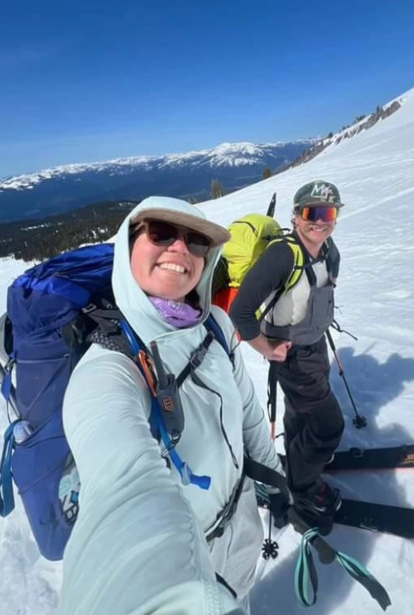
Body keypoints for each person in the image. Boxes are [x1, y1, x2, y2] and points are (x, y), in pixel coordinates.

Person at [60, 197, 287, 614]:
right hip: (188, 564)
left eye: (197, 241)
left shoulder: (214, 324)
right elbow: (123, 488)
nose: (181, 248)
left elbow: (248, 410)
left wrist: (272, 475)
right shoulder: (106, 372)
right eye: (161, 233)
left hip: (244, 528)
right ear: (128, 245)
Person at [231, 180, 344, 526]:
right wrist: (266, 347)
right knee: (328, 427)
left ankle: (297, 459)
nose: (321, 221)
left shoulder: (328, 250)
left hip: (315, 345)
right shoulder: (282, 254)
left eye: (329, 213)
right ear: (296, 216)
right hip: (292, 354)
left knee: (301, 412)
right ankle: (304, 486)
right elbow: (241, 312)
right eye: (312, 213)